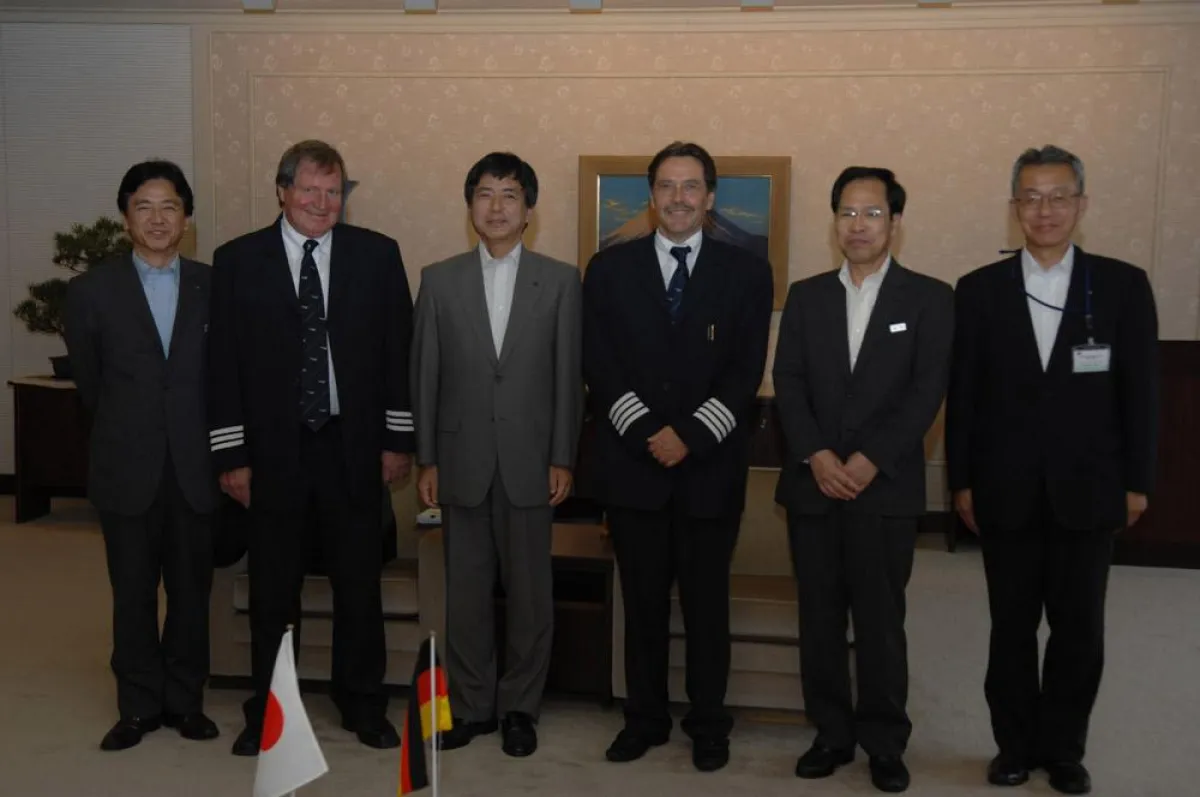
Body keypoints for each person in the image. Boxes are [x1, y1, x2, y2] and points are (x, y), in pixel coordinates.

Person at [946, 145, 1159, 795]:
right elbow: (966, 396)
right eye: (1031, 197)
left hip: (1090, 491)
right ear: (1015, 209)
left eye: (1059, 195)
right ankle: (1012, 745)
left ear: (1082, 204)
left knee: (1079, 630)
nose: (1046, 209)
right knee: (1010, 629)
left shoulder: (1122, 285)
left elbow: (1141, 393)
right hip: (1004, 490)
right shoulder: (980, 290)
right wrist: (960, 480)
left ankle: (1064, 748)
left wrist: (1138, 481)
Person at [207, 139, 415, 756]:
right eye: (310, 190)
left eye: (334, 191)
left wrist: (396, 440)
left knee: (359, 587)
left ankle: (363, 704)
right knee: (274, 592)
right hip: (271, 455)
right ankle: (268, 713)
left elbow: (396, 356)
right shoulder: (237, 260)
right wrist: (230, 455)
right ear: (282, 190)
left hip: (352, 448)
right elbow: (222, 368)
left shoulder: (377, 255)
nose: (323, 203)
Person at [582, 141, 773, 773]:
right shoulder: (609, 270)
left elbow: (746, 371)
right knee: (640, 606)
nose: (679, 198)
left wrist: (689, 435)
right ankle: (644, 717)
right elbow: (599, 366)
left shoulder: (747, 271)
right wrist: (647, 434)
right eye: (666, 186)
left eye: (692, 187)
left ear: (710, 197)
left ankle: (709, 722)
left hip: (709, 469)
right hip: (634, 469)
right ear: (651, 195)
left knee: (706, 608)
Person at [772, 167, 953, 793]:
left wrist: (870, 459)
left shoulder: (930, 298)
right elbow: (788, 383)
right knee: (819, 618)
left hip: (885, 488)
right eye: (847, 213)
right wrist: (817, 456)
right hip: (813, 487)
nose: (858, 225)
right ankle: (830, 733)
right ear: (834, 222)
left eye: (872, 213)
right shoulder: (807, 295)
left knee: (879, 621)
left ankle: (883, 740)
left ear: (895, 222)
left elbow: (926, 392)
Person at [410, 152, 583, 758]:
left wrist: (563, 454)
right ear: (470, 207)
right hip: (460, 461)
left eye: (510, 195)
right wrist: (426, 458)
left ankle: (519, 708)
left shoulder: (561, 280)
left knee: (531, 595)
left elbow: (569, 378)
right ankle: (473, 705)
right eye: (485, 194)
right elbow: (424, 374)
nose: (498, 206)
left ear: (529, 210)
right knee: (466, 593)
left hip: (532, 462)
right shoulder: (439, 278)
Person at [64, 160, 220, 751]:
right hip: (126, 466)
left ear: (187, 218)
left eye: (170, 207)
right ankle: (137, 706)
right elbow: (91, 385)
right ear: (125, 216)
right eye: (144, 207)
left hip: (194, 467)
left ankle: (185, 702)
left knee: (189, 594)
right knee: (131, 594)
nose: (158, 219)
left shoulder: (213, 285)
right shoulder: (90, 292)